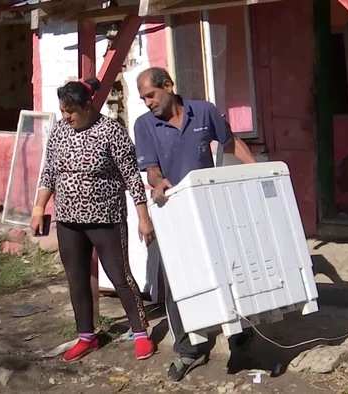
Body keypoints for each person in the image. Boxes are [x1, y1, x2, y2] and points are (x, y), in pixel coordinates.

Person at [133, 67, 257, 381]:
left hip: (208, 207)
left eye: (151, 95)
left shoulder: (203, 111)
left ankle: (237, 334)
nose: (148, 102)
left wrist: (256, 172)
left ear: (168, 86)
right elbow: (150, 169)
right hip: (173, 211)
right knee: (178, 283)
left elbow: (230, 143)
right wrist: (159, 182)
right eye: (143, 98)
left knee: (224, 270)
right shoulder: (145, 125)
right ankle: (188, 350)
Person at [31, 78, 155, 362]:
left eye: (71, 111)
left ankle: (140, 333)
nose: (66, 116)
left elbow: (131, 177)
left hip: (106, 219)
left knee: (120, 277)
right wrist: (39, 208)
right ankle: (86, 336)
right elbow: (49, 171)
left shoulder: (111, 131)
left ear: (88, 107)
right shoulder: (61, 131)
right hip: (68, 220)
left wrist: (143, 216)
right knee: (76, 279)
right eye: (63, 110)